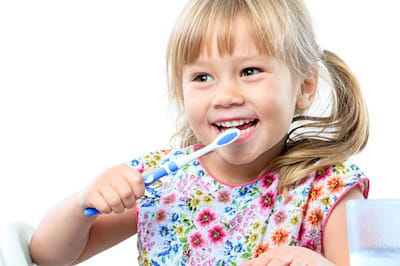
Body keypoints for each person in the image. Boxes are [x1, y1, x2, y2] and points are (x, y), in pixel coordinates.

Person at [29, 0, 370, 265]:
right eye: (202, 77)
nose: (225, 97)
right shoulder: (158, 183)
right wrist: (80, 205)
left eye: (250, 71)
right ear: (181, 93)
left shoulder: (329, 190)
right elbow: (48, 256)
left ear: (305, 86)